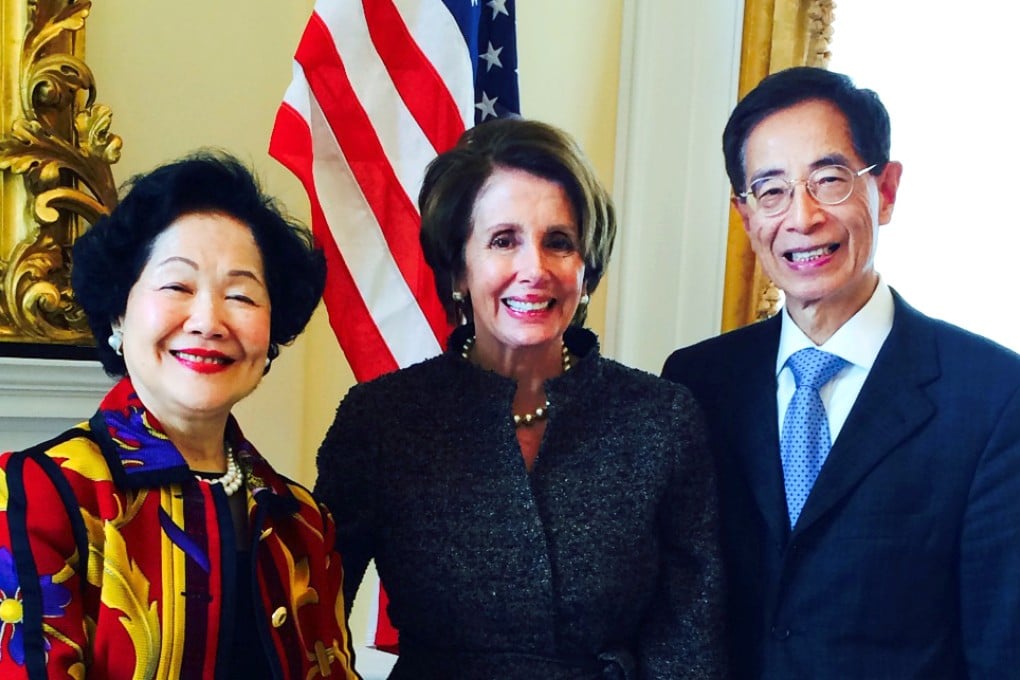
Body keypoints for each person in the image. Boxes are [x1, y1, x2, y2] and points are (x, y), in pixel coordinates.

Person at [315, 118, 725, 679]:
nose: (534, 270)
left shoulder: (661, 419)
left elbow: (690, 643)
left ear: (586, 268)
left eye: (559, 242)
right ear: (459, 266)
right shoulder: (381, 422)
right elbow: (311, 624)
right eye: (503, 241)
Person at [662, 66, 1020, 678]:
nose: (802, 218)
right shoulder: (698, 382)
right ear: (745, 215)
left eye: (829, 180)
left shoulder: (991, 395)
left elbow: (1000, 646)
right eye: (770, 191)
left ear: (885, 191)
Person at [0, 152, 360, 679]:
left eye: (241, 295)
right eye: (178, 286)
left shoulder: (303, 522)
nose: (208, 320)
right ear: (120, 314)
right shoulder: (38, 494)